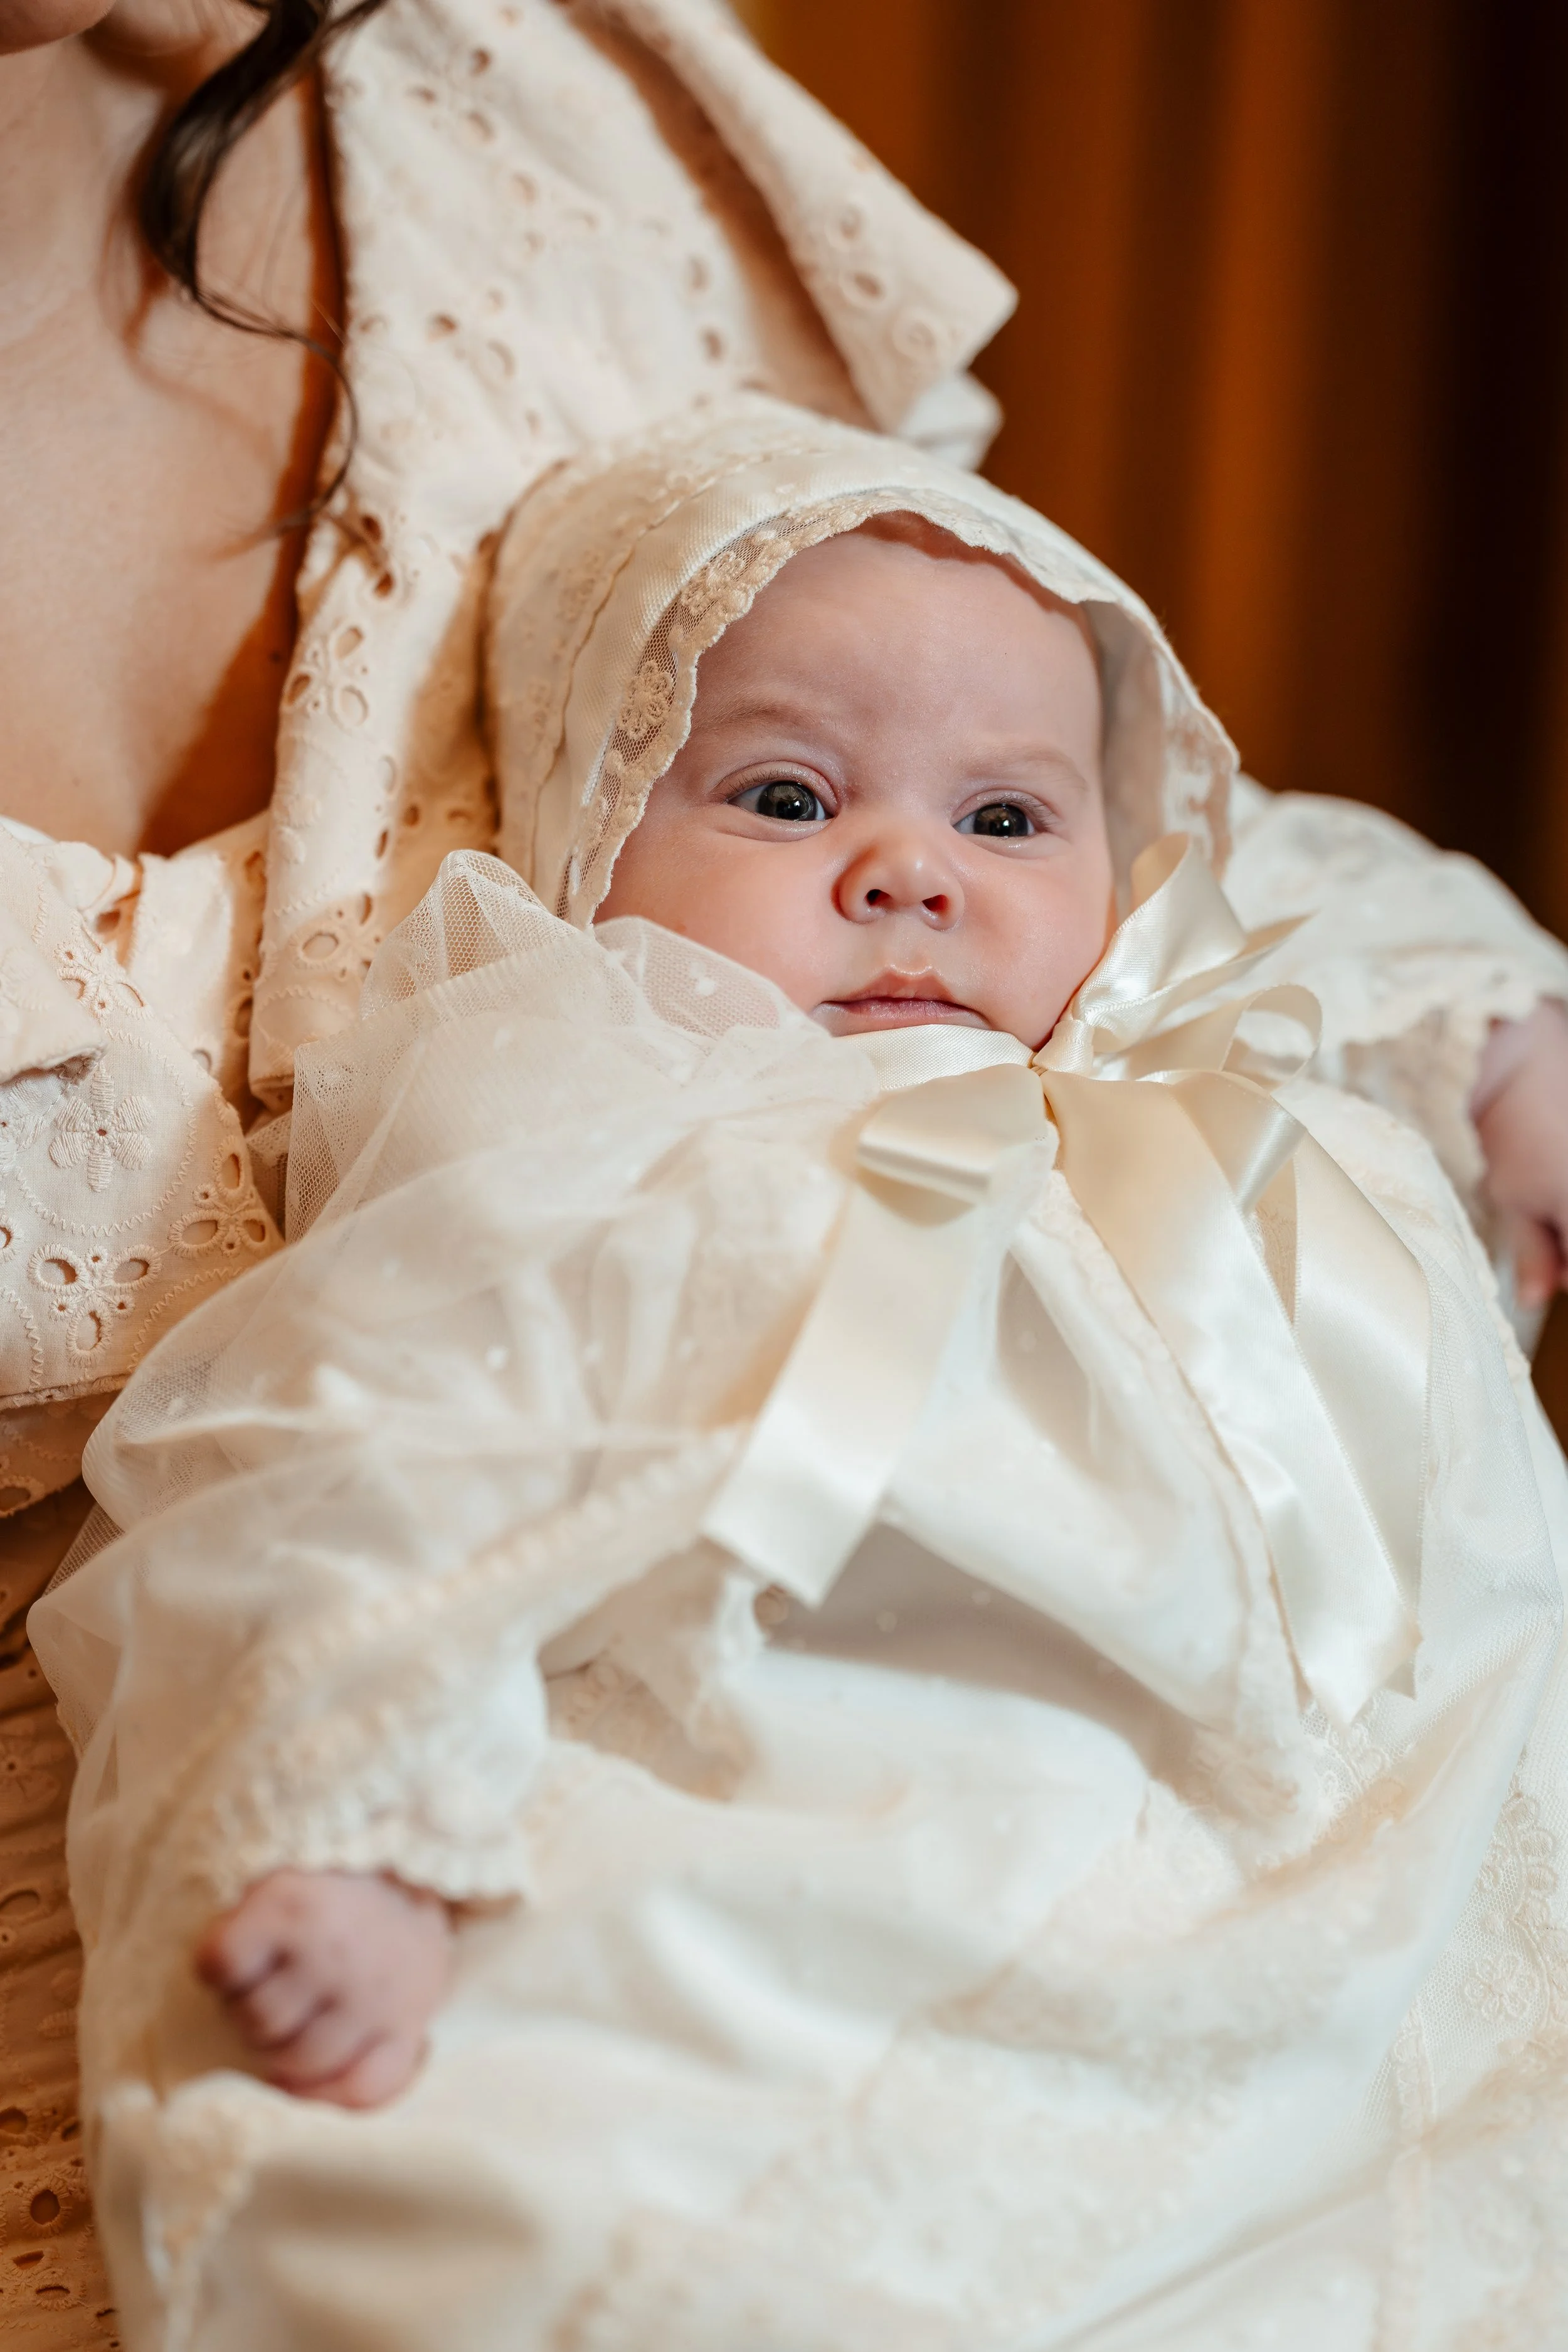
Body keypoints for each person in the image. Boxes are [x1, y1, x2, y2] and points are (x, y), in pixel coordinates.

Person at [32, 401, 1568, 2348]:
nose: (908, 871)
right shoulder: (611, 1124)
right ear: (590, 835)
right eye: (783, 796)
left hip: (1299, 1852)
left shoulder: (1202, 1081)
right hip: (809, 1820)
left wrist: (1518, 1074)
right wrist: (355, 1823)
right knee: (616, 2202)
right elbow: (360, 1461)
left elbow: (1350, 909)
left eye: (1003, 820)